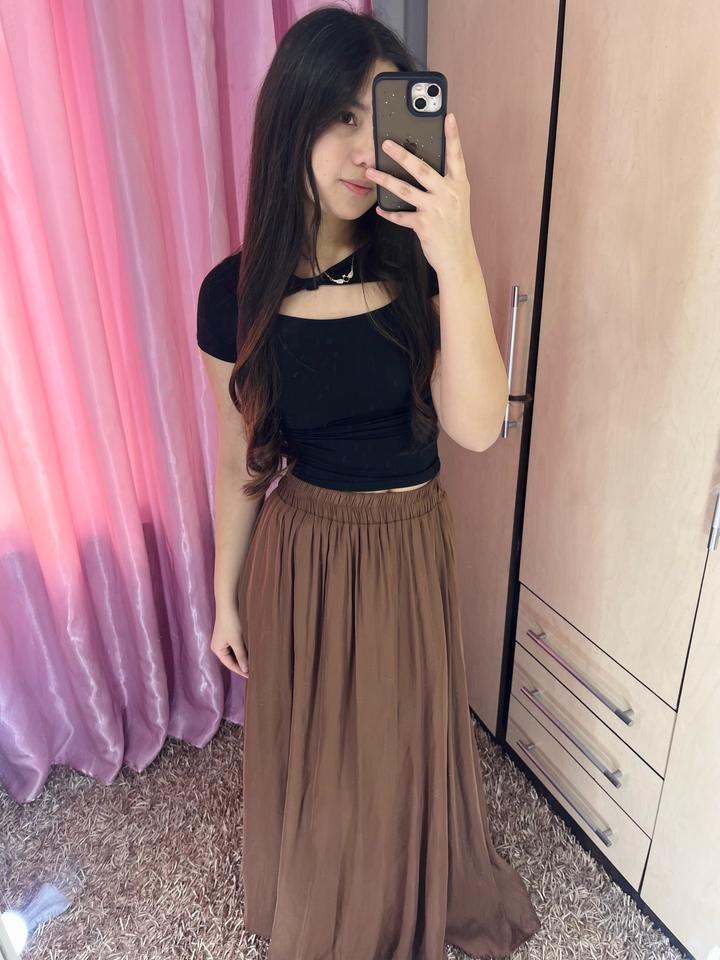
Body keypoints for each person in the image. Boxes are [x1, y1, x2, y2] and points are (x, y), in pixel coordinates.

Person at [196, 7, 541, 958]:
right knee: (322, 754)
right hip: (302, 548)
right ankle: (325, 892)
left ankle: (394, 897)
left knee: (395, 748)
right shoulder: (232, 294)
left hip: (406, 544)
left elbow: (476, 427)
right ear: (293, 121)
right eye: (340, 117)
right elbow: (238, 456)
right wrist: (224, 593)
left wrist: (456, 247)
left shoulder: (419, 266)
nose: (363, 149)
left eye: (377, 117)